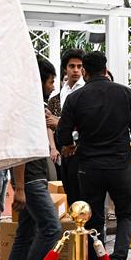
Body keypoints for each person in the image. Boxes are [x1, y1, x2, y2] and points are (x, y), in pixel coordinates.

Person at [55, 50, 131, 260]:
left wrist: (69, 147)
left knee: (92, 219)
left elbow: (62, 135)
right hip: (120, 165)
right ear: (106, 70)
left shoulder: (75, 98)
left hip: (89, 167)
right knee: (126, 213)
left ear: (84, 72)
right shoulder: (126, 94)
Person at [4, 56, 63, 260]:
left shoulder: (31, 106)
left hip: (31, 178)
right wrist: (19, 188)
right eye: (50, 81)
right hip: (30, 179)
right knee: (52, 228)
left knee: (26, 231)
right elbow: (20, 149)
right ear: (39, 81)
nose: (52, 86)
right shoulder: (27, 108)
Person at [48, 48, 86, 203]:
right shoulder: (60, 94)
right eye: (72, 66)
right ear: (65, 68)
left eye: (79, 66)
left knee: (83, 196)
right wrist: (54, 147)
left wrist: (59, 123)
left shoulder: (87, 90)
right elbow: (49, 124)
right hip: (63, 150)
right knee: (68, 193)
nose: (75, 70)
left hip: (82, 150)